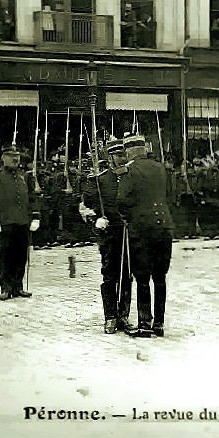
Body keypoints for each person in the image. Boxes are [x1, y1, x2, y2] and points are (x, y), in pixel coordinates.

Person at [116, 134, 174, 338]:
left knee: (142, 278)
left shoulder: (128, 170)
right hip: (164, 226)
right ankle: (159, 323)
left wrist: (130, 217)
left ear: (129, 151)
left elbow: (122, 200)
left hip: (142, 229)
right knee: (160, 278)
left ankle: (144, 324)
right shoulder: (160, 168)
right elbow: (170, 194)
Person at [82, 138, 134, 334]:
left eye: (124, 155)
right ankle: (110, 316)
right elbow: (85, 206)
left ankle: (124, 315)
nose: (122, 159)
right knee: (110, 275)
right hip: (109, 233)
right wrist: (95, 220)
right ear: (110, 158)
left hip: (128, 234)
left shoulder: (132, 178)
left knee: (127, 276)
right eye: (118, 155)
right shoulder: (100, 180)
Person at [0, 144, 40, 301]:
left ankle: (18, 286)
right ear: (3, 158)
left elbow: (32, 198)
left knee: (21, 255)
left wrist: (35, 216)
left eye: (17, 156)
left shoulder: (25, 176)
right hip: (5, 222)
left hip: (22, 221)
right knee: (6, 255)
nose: (15, 159)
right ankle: (6, 288)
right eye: (11, 156)